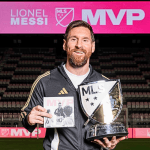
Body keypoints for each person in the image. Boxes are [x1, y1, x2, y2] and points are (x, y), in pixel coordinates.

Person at [21, 20, 125, 150]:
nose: (79, 45)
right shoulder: (45, 81)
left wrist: (110, 140)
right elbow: (25, 118)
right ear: (65, 45)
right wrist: (29, 119)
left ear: (93, 47)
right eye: (73, 39)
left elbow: (107, 126)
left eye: (85, 40)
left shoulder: (106, 85)